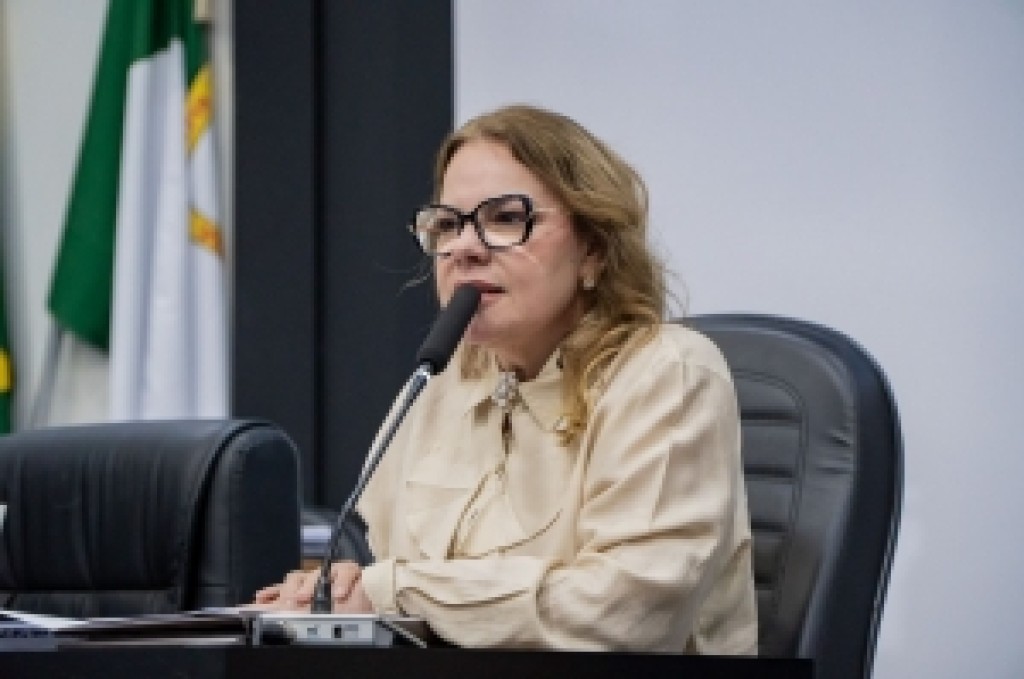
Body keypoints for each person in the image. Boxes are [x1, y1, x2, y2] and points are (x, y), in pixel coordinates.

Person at [253, 104, 757, 653]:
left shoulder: (666, 373)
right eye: (447, 225)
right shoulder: (439, 380)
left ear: (593, 249)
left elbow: (628, 613)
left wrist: (396, 592)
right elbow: (391, 575)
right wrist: (337, 593)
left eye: (506, 219)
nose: (465, 248)